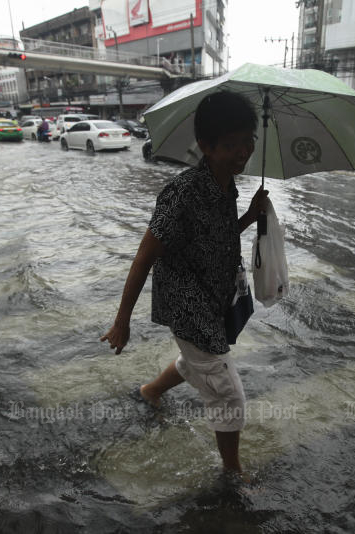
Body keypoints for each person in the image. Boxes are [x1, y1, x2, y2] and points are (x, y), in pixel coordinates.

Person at [100, 91, 267, 475]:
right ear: (206, 146)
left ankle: (152, 390)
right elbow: (144, 257)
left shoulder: (227, 186)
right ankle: (233, 475)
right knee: (227, 392)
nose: (242, 153)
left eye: (248, 142)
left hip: (214, 297)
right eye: (231, 145)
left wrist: (248, 216)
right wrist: (122, 321)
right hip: (187, 302)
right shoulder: (183, 192)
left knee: (198, 363)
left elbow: (217, 237)